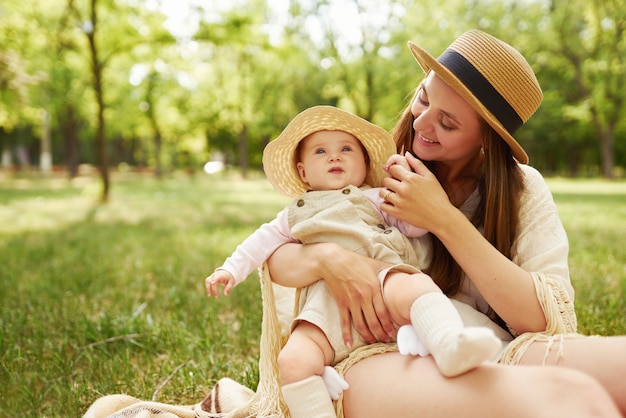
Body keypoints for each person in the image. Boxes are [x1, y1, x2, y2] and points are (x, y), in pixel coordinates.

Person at [266, 30, 626, 417]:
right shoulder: (372, 167)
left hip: (487, 344)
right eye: (423, 98)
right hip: (380, 353)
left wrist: (442, 218)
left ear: (487, 140)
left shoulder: (521, 189)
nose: (422, 124)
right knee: (574, 399)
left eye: (448, 123)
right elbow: (278, 253)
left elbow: (542, 318)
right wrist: (328, 259)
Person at [205, 105, 503, 417]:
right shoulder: (293, 213)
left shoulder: (375, 197)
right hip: (324, 307)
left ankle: (447, 345)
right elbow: (259, 244)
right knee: (292, 361)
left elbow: (416, 226)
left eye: (346, 149)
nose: (334, 157)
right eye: (320, 151)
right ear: (303, 171)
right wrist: (230, 269)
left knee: (416, 285)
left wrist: (409, 180)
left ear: (363, 164)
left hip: (384, 282)